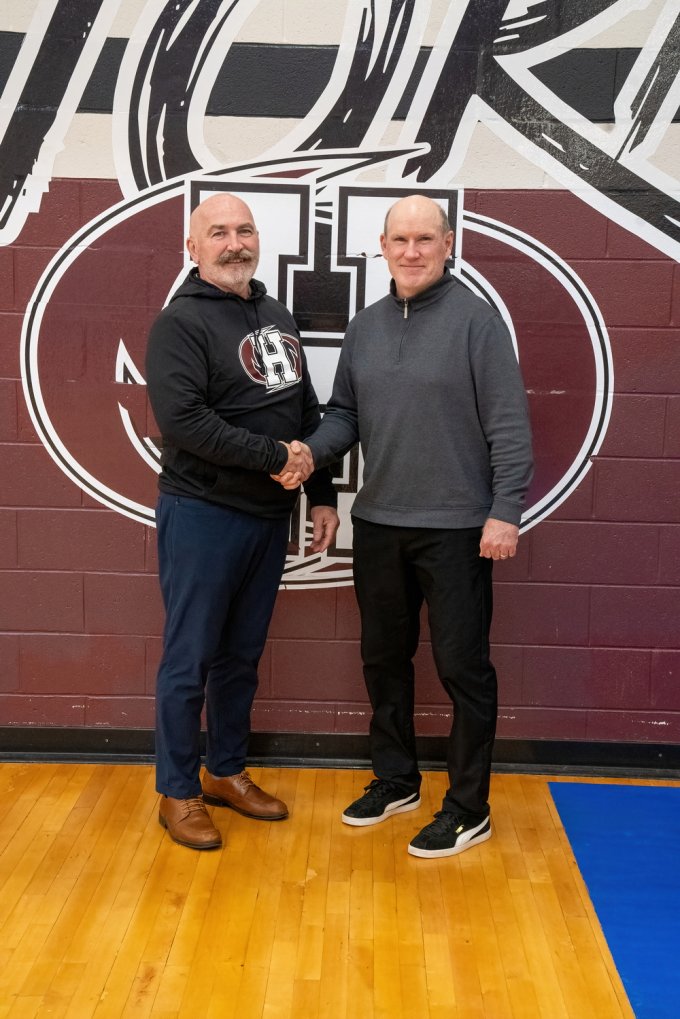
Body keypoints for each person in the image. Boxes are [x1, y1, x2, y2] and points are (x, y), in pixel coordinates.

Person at [273, 194, 532, 859]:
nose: (412, 251)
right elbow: (344, 417)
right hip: (381, 525)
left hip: (457, 529)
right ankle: (396, 779)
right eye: (400, 240)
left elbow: (510, 428)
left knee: (461, 667)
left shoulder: (478, 323)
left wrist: (505, 510)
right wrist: (308, 452)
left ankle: (468, 806)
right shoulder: (366, 327)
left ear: (449, 244)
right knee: (382, 659)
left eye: (425, 239)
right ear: (381, 248)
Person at [146, 192, 339, 850]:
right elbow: (185, 423)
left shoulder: (275, 311)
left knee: (240, 658)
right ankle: (177, 790)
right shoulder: (180, 323)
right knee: (190, 658)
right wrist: (275, 457)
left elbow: (304, 410)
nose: (235, 242)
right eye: (218, 232)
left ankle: (225, 769)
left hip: (266, 518)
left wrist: (320, 492)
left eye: (244, 230)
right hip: (203, 513)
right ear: (192, 248)